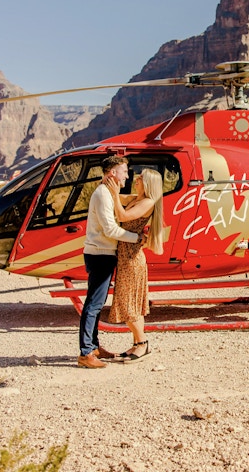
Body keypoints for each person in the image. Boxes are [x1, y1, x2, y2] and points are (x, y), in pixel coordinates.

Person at [77, 155, 140, 369]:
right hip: (100, 254)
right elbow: (110, 229)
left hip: (103, 253)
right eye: (124, 171)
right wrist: (137, 238)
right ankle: (86, 352)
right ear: (112, 172)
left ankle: (93, 346)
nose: (127, 175)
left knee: (96, 302)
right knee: (93, 304)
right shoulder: (103, 194)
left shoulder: (108, 192)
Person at [107, 168, 164, 361]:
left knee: (129, 303)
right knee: (130, 302)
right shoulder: (138, 198)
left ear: (148, 183)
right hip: (126, 255)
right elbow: (119, 198)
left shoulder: (148, 202)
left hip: (132, 258)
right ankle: (136, 344)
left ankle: (142, 343)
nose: (136, 179)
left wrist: (114, 194)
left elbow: (122, 216)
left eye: (141, 178)